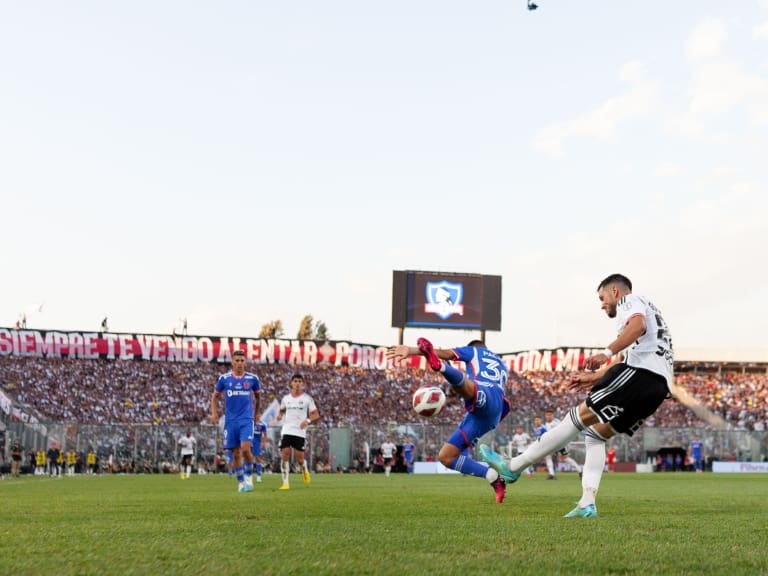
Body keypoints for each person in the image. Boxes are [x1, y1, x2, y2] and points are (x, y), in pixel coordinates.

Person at [481, 273, 673, 518]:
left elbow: (638, 327)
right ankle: (587, 503)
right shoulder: (650, 310)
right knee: (595, 435)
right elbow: (628, 359)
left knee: (575, 418)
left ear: (615, 292)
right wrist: (596, 377)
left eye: (602, 298)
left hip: (642, 376)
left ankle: (512, 467)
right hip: (656, 388)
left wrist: (605, 352)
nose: (602, 304)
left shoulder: (630, 301)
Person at [387, 337, 511, 504]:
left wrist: (412, 350)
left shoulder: (474, 350)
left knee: (472, 390)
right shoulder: (502, 363)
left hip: (488, 396)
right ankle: (493, 477)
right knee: (446, 457)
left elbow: (446, 353)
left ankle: (441, 366)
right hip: (488, 415)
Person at [211, 349, 261, 493]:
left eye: (242, 361)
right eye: (237, 361)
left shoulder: (252, 379)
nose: (239, 363)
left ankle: (249, 479)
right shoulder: (224, 379)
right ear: (232, 362)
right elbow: (214, 397)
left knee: (245, 449)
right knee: (236, 453)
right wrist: (214, 413)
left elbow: (258, 398)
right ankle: (240, 483)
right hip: (231, 422)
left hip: (246, 420)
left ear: (245, 362)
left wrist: (257, 414)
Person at [275, 373, 319, 490]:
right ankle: (285, 483)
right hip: (287, 429)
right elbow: (282, 410)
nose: (297, 383)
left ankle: (304, 468)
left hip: (300, 431)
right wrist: (279, 415)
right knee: (285, 453)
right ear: (291, 383)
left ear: (302, 384)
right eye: (295, 381)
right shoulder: (286, 398)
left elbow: (315, 414)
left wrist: (308, 420)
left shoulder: (307, 399)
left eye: (300, 381)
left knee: (299, 459)